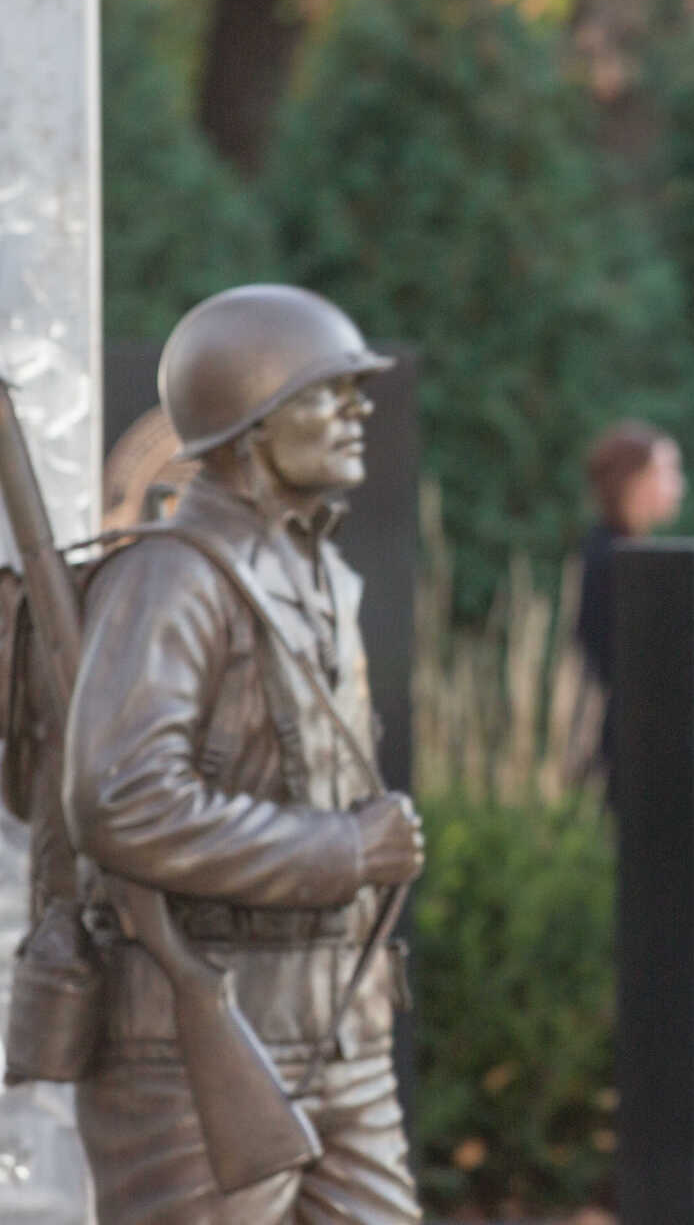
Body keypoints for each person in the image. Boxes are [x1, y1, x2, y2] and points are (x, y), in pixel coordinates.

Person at [65, 284, 427, 1223]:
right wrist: (344, 852)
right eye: (327, 393)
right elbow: (121, 799)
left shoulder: (323, 572)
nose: (358, 412)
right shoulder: (173, 579)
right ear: (250, 420)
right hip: (197, 1044)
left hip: (342, 1028)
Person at [575, 418, 685, 702]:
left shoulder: (626, 551)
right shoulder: (613, 561)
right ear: (635, 480)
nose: (679, 485)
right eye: (668, 472)